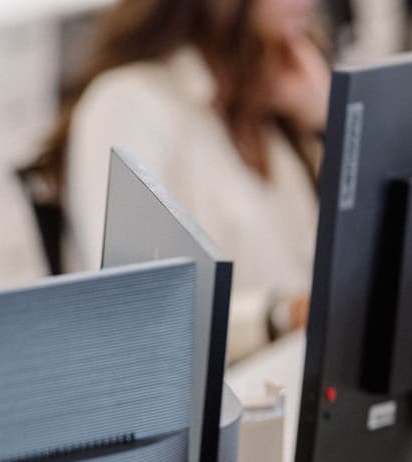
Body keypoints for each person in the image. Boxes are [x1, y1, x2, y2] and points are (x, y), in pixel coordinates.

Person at [32, 0, 328, 360]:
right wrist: (281, 315)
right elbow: (140, 312)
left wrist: (324, 122)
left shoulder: (269, 100)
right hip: (225, 396)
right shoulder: (128, 104)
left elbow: (320, 260)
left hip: (289, 375)